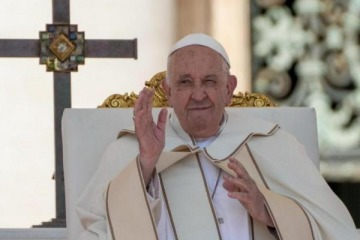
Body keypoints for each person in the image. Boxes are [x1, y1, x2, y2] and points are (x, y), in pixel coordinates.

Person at [77, 33, 359, 240]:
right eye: (185, 82)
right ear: (169, 90)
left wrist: (269, 210)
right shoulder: (131, 150)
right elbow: (92, 231)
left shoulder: (274, 144)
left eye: (209, 81)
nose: (198, 94)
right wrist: (146, 167)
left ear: (229, 88)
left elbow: (335, 230)